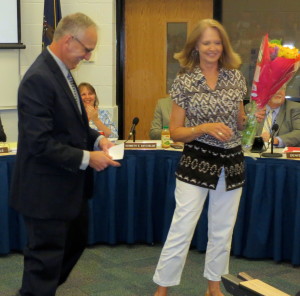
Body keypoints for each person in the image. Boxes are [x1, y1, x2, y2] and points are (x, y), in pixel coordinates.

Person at [10, 13, 120, 296]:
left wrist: (97, 142)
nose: (88, 56)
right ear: (69, 40)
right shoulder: (39, 78)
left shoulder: (62, 71)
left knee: (73, 245)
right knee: (44, 264)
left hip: (68, 191)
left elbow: (74, 125)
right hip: (45, 193)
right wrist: (87, 158)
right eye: (87, 49)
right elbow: (40, 144)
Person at [152, 19, 264, 296]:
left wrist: (252, 118)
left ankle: (214, 287)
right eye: (206, 43)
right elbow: (176, 132)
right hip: (196, 161)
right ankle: (162, 288)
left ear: (223, 46)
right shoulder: (184, 81)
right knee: (182, 227)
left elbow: (238, 122)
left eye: (217, 42)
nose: (212, 47)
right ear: (195, 47)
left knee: (223, 230)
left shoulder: (235, 77)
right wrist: (203, 128)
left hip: (231, 161)